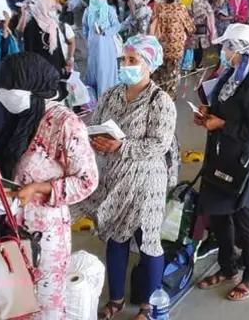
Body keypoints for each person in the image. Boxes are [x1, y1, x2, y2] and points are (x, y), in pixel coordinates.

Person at [74, 35, 176, 320]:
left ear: (149, 64)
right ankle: (116, 300)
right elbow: (95, 124)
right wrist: (96, 141)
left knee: (148, 241)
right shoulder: (111, 94)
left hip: (146, 182)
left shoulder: (160, 101)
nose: (125, 65)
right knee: (116, 237)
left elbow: (160, 144)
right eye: (124, 59)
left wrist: (121, 146)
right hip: (115, 178)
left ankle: (149, 306)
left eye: (133, 60)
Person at [0, 52, 99, 319]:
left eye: (10, 86)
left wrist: (39, 188)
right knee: (15, 303)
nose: (2, 94)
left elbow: (87, 180)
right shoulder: (21, 116)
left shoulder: (65, 124)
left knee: (43, 305)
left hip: (44, 234)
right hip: (10, 226)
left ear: (33, 85)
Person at [195, 24, 249, 302]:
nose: (223, 51)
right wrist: (207, 113)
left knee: (244, 218)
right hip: (221, 155)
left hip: (243, 160)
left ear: (239, 49)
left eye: (227, 46)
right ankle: (228, 267)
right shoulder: (229, 76)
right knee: (219, 214)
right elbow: (222, 108)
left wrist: (222, 124)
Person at [23, 0, 76, 99]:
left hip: (55, 65)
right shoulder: (32, 26)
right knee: (43, 95)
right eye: (51, 8)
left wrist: (64, 63)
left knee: (57, 94)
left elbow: (58, 47)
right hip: (40, 67)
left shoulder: (52, 24)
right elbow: (29, 49)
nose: (54, 11)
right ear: (43, 8)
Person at [149, 0, 195, 98]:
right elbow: (190, 28)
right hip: (175, 47)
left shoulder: (159, 6)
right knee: (173, 72)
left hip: (160, 45)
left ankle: (158, 93)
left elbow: (152, 23)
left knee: (160, 70)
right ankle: (169, 95)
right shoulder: (180, 8)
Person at [83, 0, 122, 97]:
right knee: (93, 70)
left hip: (106, 46)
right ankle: (94, 98)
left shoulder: (110, 9)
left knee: (104, 70)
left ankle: (106, 97)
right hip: (93, 46)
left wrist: (105, 31)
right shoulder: (88, 10)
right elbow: (85, 27)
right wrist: (89, 39)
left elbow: (117, 26)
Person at [189, 0, 217, 68]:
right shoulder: (191, 4)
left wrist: (206, 18)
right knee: (195, 47)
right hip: (194, 29)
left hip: (202, 28)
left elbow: (211, 14)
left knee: (201, 46)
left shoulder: (205, 3)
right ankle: (196, 63)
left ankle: (199, 63)